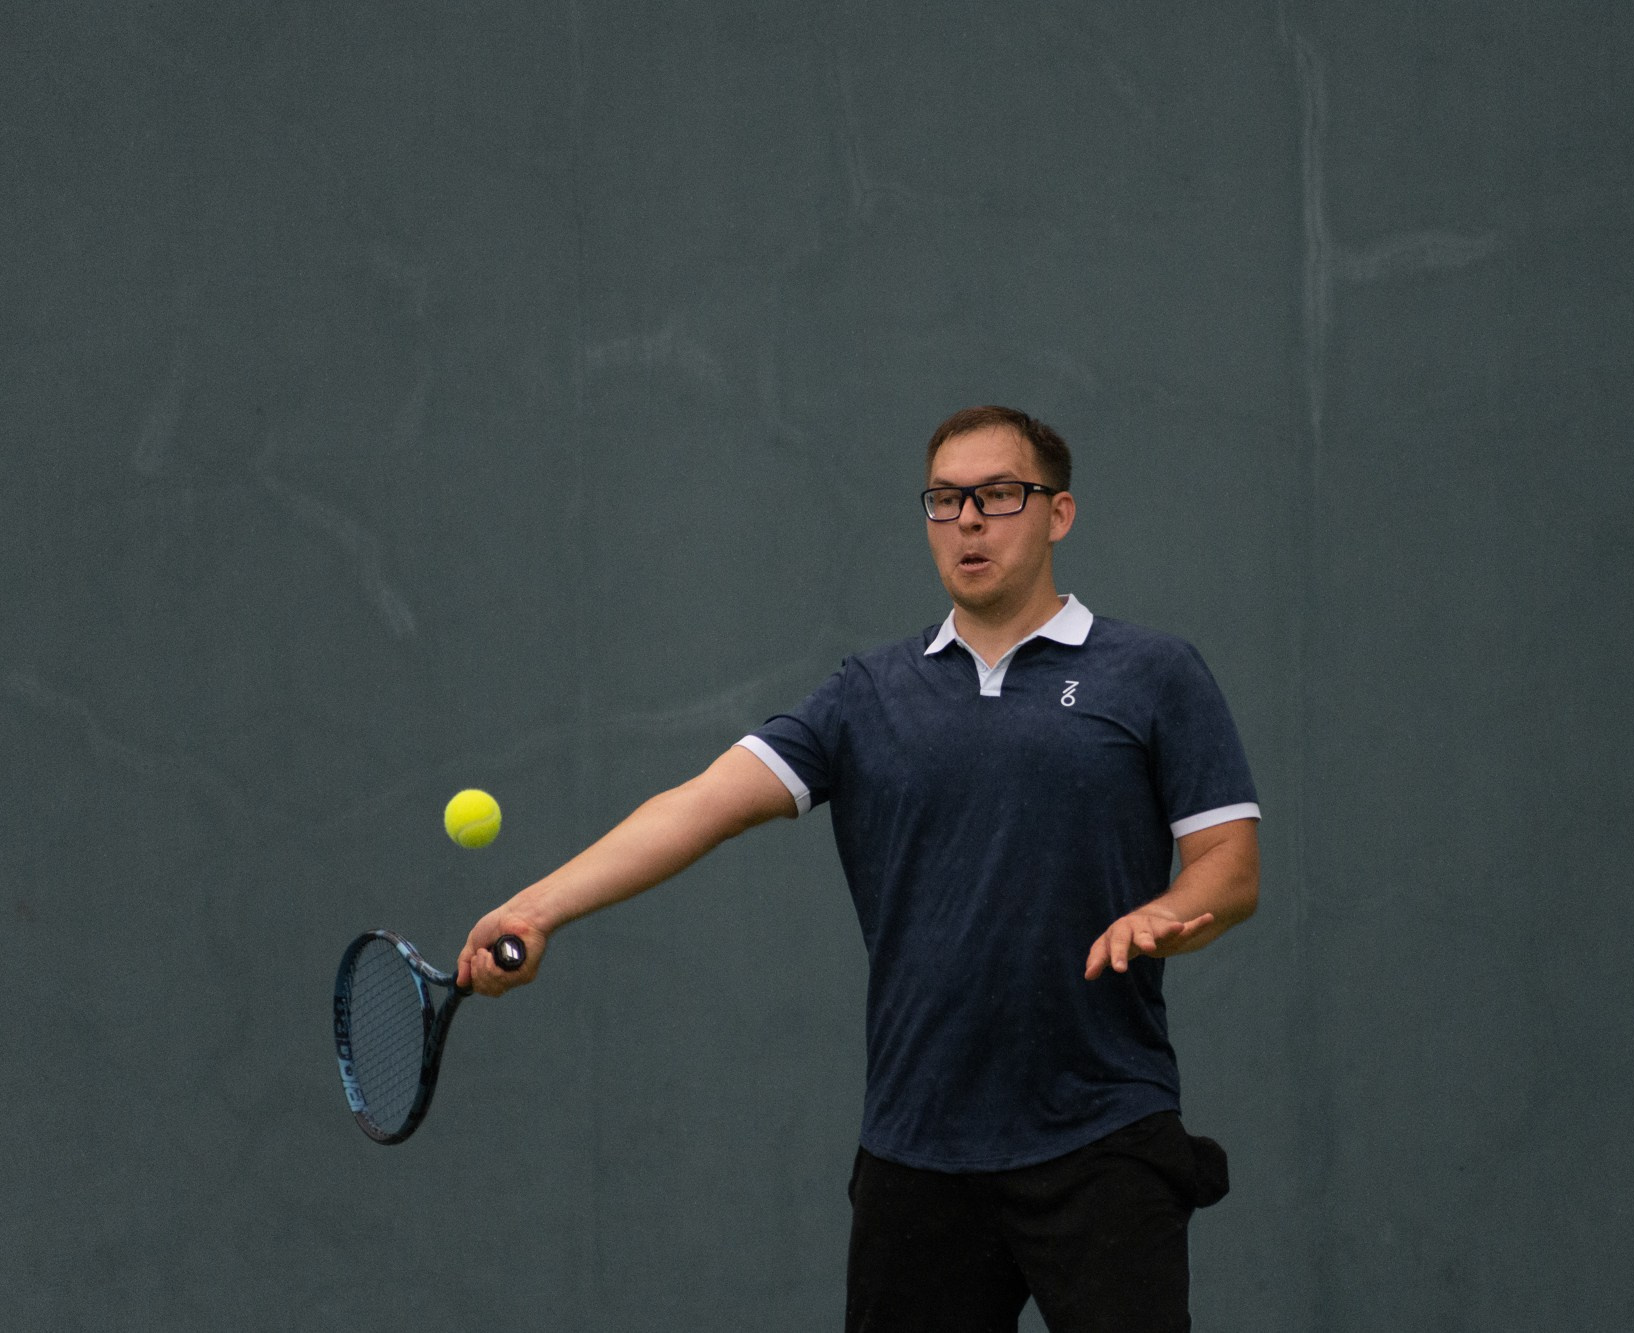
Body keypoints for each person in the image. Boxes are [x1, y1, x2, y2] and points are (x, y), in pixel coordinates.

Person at [458, 405, 1261, 1332]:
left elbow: (1228, 869)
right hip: (917, 1152)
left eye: (1000, 495)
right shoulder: (867, 695)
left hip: (1104, 1134)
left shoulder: (1153, 674)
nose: (968, 519)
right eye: (946, 499)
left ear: (1058, 513)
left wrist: (1164, 912)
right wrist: (538, 906)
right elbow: (700, 803)